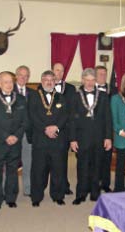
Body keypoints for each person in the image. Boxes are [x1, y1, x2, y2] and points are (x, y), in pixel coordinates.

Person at [0, 72, 28, 209]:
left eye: (11, 82)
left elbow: (25, 121)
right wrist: (5, 136)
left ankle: (11, 197)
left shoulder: (21, 99)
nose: (9, 85)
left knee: (12, 170)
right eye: (5, 82)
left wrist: (16, 136)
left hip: (15, 142)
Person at [70, 68, 112, 205]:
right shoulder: (75, 96)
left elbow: (107, 118)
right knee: (82, 166)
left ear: (95, 81)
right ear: (82, 80)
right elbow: (72, 120)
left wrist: (108, 137)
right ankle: (81, 194)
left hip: (99, 137)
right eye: (86, 80)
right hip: (82, 138)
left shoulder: (103, 96)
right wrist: (73, 139)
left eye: (92, 80)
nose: (89, 83)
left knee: (97, 166)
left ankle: (95, 193)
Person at [29, 70, 68, 207]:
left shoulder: (61, 97)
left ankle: (58, 195)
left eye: (52, 80)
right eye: (46, 79)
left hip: (57, 138)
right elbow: (32, 116)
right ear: (41, 80)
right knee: (38, 170)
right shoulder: (33, 96)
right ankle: (36, 197)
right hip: (40, 138)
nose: (49, 82)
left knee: (58, 169)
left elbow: (65, 116)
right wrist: (45, 129)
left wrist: (56, 127)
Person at [52, 62, 76, 195]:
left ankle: (64, 185)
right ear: (52, 71)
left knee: (63, 159)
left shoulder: (71, 89)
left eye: (62, 71)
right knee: (50, 160)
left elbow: (72, 111)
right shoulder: (45, 86)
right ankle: (52, 186)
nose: (59, 73)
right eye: (57, 70)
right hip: (49, 130)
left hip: (65, 129)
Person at [14, 65, 34, 197]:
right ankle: (10, 190)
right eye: (21, 75)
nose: (23, 78)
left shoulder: (33, 93)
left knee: (28, 162)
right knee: (10, 164)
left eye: (26, 75)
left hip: (28, 133)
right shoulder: (8, 90)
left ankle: (28, 189)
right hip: (13, 133)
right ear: (16, 76)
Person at [95, 65, 112, 193]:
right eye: (100, 74)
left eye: (104, 74)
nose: (103, 76)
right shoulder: (87, 90)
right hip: (92, 131)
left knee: (107, 159)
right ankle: (93, 183)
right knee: (93, 159)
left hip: (107, 129)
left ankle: (105, 184)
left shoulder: (113, 91)